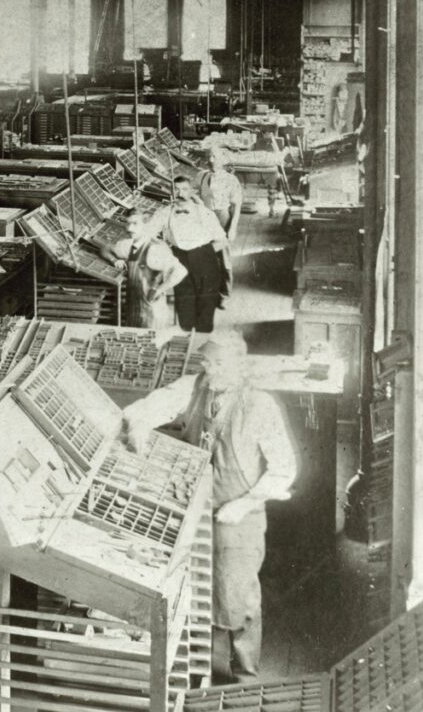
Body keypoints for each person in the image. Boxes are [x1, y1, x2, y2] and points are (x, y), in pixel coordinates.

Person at [121, 332, 296, 684]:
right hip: (196, 505)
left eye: (217, 363)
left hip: (239, 514)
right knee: (195, 588)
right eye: (206, 361)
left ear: (237, 364)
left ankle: (245, 677)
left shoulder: (259, 405)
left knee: (237, 595)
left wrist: (245, 503)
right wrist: (138, 421)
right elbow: (156, 402)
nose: (209, 369)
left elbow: (285, 468)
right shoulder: (197, 385)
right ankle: (200, 673)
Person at [151, 175, 226, 333]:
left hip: (204, 257)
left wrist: (203, 254)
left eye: (184, 189)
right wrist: (163, 249)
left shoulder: (204, 213)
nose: (180, 193)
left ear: (192, 191)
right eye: (176, 189)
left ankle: (202, 338)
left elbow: (221, 240)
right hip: (179, 257)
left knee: (206, 299)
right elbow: (149, 234)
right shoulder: (165, 213)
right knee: (184, 300)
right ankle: (185, 335)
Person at [100, 208, 188, 330]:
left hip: (152, 313)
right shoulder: (128, 245)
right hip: (134, 311)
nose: (129, 228)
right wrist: (114, 260)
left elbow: (180, 271)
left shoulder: (155, 248)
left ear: (146, 225)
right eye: (128, 223)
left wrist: (159, 289)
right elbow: (105, 248)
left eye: (135, 224)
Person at [199, 148, 243, 308]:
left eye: (214, 156)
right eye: (208, 156)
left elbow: (237, 205)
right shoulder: (202, 176)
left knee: (223, 258)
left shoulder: (231, 180)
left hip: (222, 218)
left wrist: (232, 228)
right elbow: (196, 196)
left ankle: (225, 294)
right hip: (205, 218)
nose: (211, 160)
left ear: (223, 160)